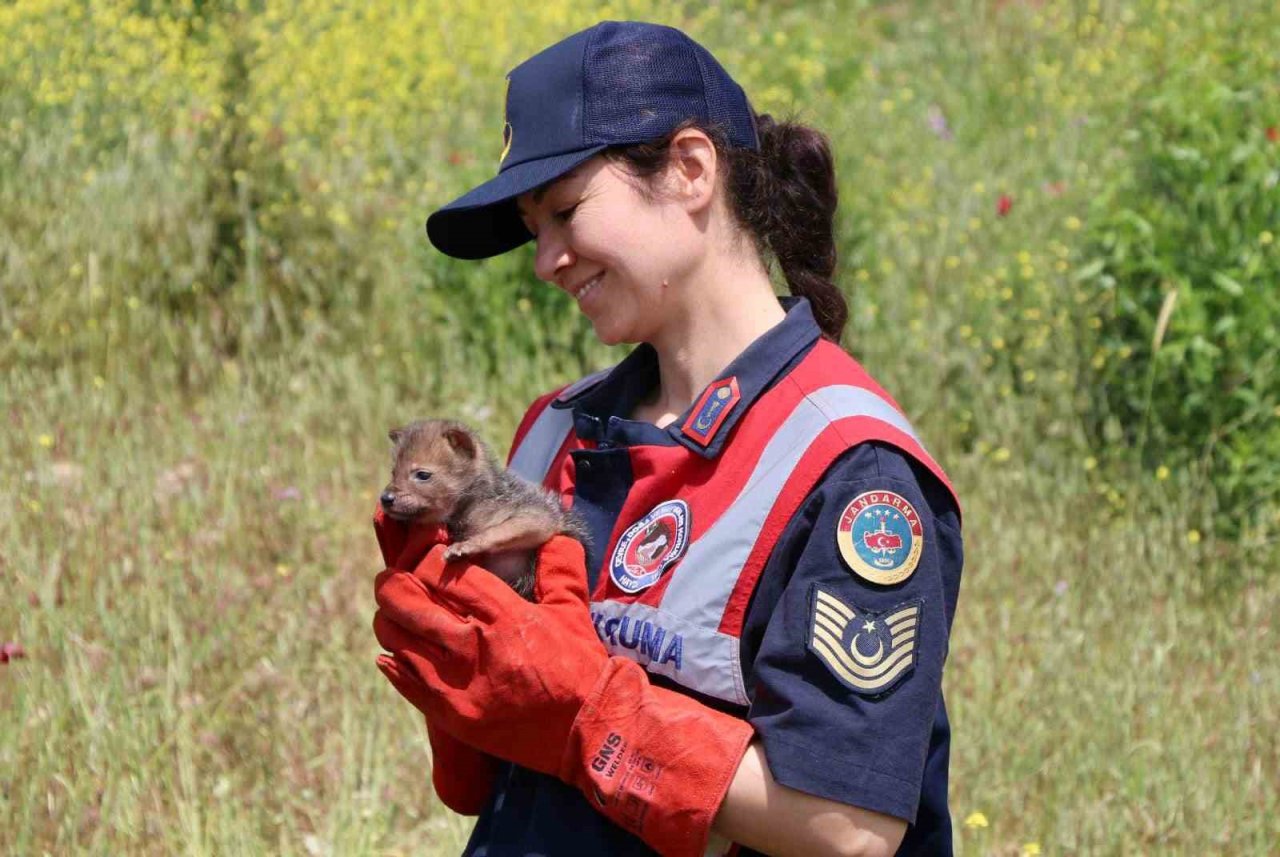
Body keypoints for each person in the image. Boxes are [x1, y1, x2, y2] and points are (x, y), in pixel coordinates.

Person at [372, 20, 964, 857]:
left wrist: (589, 715)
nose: (544, 261)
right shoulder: (551, 431)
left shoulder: (847, 467)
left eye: (566, 212)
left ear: (690, 169)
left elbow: (849, 829)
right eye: (534, 230)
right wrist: (463, 689)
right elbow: (494, 772)